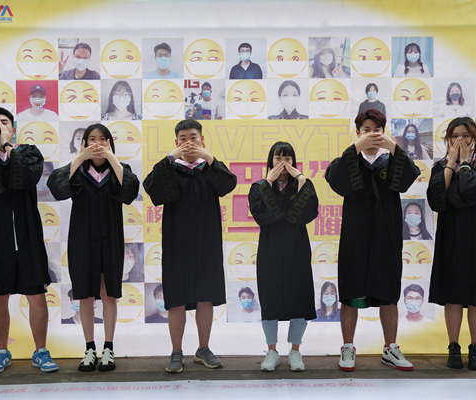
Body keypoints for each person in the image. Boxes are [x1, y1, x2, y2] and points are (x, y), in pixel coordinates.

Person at [0, 106, 58, 375]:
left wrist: (8, 147)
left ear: (14, 129)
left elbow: (27, 178)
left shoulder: (28, 153)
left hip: (27, 236)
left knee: (36, 295)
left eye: (4, 122)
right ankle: (2, 352)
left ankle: (41, 351)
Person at [325, 109, 420, 372]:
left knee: (388, 290)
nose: (372, 135)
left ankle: (390, 348)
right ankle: (348, 347)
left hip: (386, 236)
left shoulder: (392, 160)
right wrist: (356, 147)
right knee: (351, 290)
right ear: (357, 133)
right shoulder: (349, 160)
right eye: (366, 130)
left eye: (377, 130)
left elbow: (409, 177)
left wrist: (392, 146)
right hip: (355, 237)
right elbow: (334, 180)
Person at [143, 120, 237, 373]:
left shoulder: (210, 168)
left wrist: (209, 156)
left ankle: (203, 349)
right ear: (176, 142)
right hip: (177, 244)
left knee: (206, 296)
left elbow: (229, 184)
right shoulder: (170, 169)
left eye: (193, 137)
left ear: (202, 139)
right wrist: (171, 157)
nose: (188, 142)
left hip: (207, 243)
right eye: (182, 138)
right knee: (177, 299)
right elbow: (151, 188)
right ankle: (176, 352)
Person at [47, 123, 140, 372]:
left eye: (102, 139)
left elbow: (130, 191)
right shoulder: (77, 170)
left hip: (111, 239)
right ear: (84, 143)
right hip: (82, 240)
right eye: (91, 139)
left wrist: (112, 157)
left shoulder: (119, 169)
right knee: (85, 295)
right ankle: (89, 348)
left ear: (110, 142)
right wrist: (79, 158)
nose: (97, 143)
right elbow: (56, 188)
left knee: (108, 294)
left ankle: (108, 348)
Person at [427, 117, 476, 371]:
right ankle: (454, 347)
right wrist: (451, 163)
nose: (460, 140)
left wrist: (466, 163)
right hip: (451, 236)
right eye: (455, 136)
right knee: (453, 293)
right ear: (447, 139)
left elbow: (472, 189)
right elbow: (437, 199)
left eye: (466, 136)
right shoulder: (440, 167)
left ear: (475, 139)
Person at [249, 141, 319, 372]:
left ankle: (295, 351)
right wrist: (268, 183)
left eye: (287, 159)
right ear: (270, 161)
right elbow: (264, 216)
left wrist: (301, 180)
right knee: (270, 299)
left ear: (294, 161)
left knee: (299, 297)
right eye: (278, 158)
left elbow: (303, 215)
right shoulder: (259, 186)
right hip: (270, 249)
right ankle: (272, 351)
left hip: (297, 248)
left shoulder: (303, 184)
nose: (283, 163)